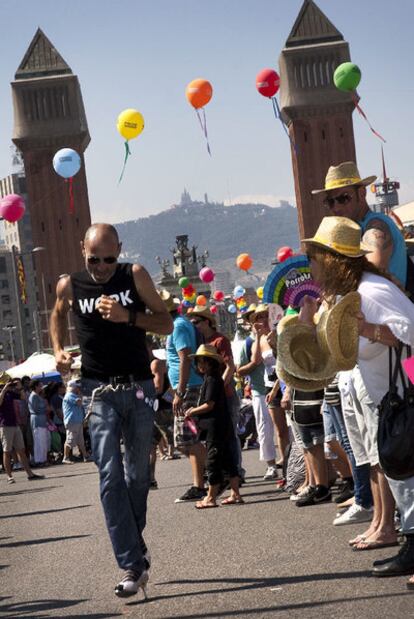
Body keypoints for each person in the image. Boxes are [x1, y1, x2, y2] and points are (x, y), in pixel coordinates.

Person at [50, 223, 173, 599]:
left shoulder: (133, 275)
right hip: (97, 390)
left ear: (119, 250)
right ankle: (132, 564)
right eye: (93, 259)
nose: (102, 266)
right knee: (109, 475)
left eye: (109, 258)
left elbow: (166, 322)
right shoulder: (69, 284)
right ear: (81, 250)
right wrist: (57, 349)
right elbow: (57, 315)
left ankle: (135, 550)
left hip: (137, 387)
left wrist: (128, 317)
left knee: (137, 478)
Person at [302, 215, 414, 585]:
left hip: (400, 398)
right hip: (389, 400)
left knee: (406, 473)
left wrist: (366, 328)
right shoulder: (359, 292)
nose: (312, 269)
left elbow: (408, 332)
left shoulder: (371, 291)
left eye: (316, 260)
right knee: (400, 472)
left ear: (333, 260)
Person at [313, 161, 407, 286]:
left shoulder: (376, 225)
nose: (336, 208)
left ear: (362, 193)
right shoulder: (355, 230)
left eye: (343, 198)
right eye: (330, 202)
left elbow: (373, 272)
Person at [161, 291, 207, 503]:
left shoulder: (178, 326)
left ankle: (199, 484)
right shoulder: (177, 325)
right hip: (188, 386)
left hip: (189, 387)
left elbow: (185, 358)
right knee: (182, 440)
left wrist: (179, 391)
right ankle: (204, 475)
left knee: (188, 439)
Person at [189, 305, 244, 479]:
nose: (194, 326)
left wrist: (219, 387)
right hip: (212, 396)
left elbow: (230, 366)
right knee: (216, 437)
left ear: (207, 322)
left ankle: (236, 472)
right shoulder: (201, 344)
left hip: (226, 395)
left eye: (196, 322)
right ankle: (222, 473)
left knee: (230, 435)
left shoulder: (220, 340)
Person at [186, 344, 243, 508]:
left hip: (215, 427)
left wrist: (192, 411)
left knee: (212, 462)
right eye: (199, 362)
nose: (201, 365)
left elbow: (209, 405)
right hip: (221, 425)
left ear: (212, 363)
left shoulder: (212, 379)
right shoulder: (213, 378)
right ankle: (235, 493)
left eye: (205, 362)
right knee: (228, 460)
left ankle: (210, 497)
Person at [237, 307, 277, 480]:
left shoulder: (275, 335)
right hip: (260, 391)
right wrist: (253, 364)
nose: (260, 321)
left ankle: (292, 462)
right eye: (256, 318)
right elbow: (239, 370)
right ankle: (271, 465)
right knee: (264, 429)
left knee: (286, 430)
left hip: (278, 388)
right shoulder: (247, 343)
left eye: (263, 316)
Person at [0, 378, 44, 484]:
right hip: (5, 426)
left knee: (21, 450)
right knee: (7, 451)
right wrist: (4, 390)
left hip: (15, 424)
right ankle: (9, 476)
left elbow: (23, 398)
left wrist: (20, 388)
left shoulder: (10, 393)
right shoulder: (3, 393)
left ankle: (30, 474)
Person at [62, 379, 90, 464]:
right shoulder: (70, 395)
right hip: (72, 421)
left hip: (76, 421)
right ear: (73, 387)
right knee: (70, 439)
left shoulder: (73, 395)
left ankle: (85, 456)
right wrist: (81, 394)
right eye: (78, 387)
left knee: (81, 441)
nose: (79, 388)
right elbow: (79, 403)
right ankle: (65, 457)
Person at [28, 380, 49, 466]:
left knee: (43, 441)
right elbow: (35, 409)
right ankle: (39, 461)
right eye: (40, 385)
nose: (41, 387)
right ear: (36, 386)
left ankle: (43, 459)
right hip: (37, 420)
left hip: (41, 420)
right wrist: (46, 408)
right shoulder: (34, 396)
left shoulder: (37, 396)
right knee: (38, 441)